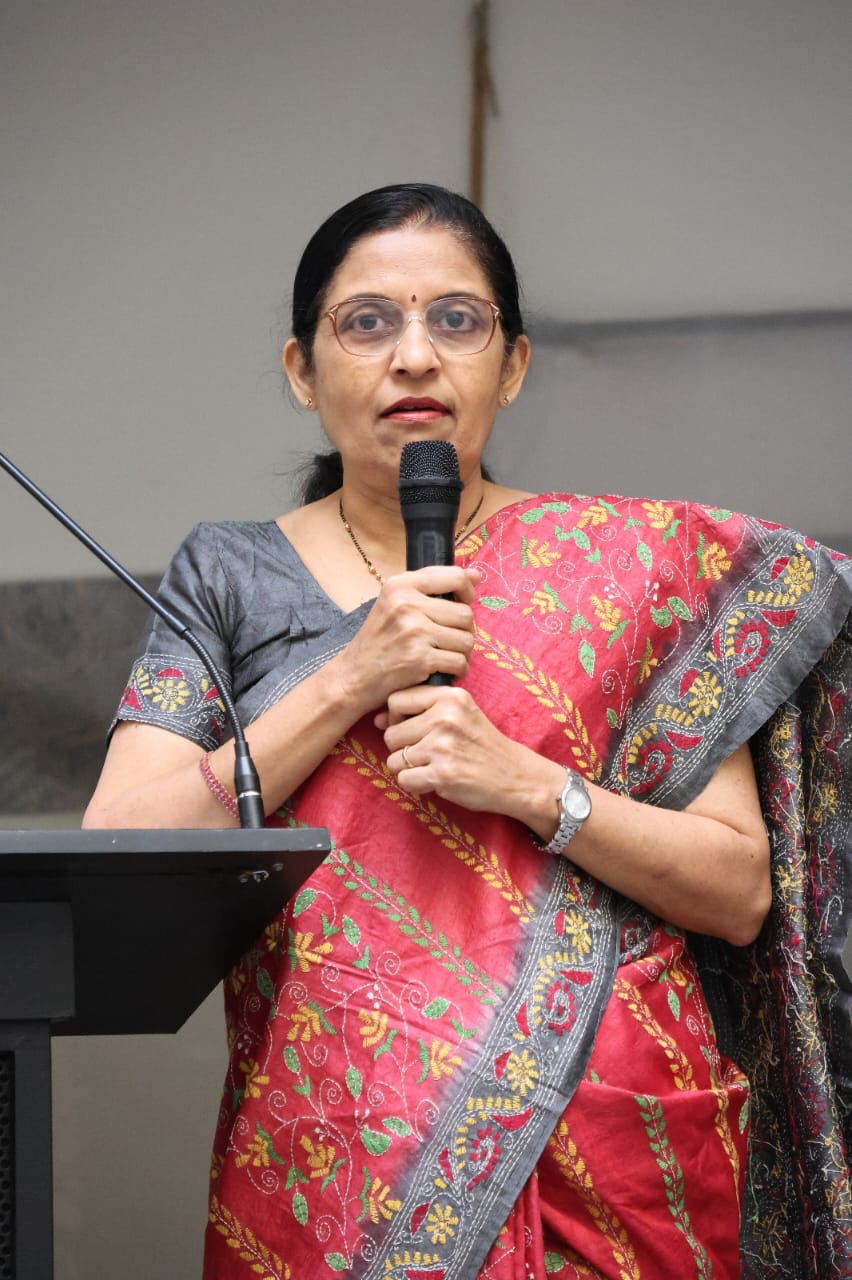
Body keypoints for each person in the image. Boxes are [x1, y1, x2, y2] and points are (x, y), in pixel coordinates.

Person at [83, 184, 852, 1279]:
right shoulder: (229, 575)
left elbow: (738, 892)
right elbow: (124, 842)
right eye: (367, 322)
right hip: (341, 1157)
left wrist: (530, 787)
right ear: (302, 369)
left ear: (514, 362)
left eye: (457, 319)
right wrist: (351, 676)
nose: (415, 356)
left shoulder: (632, 577)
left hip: (611, 1151)